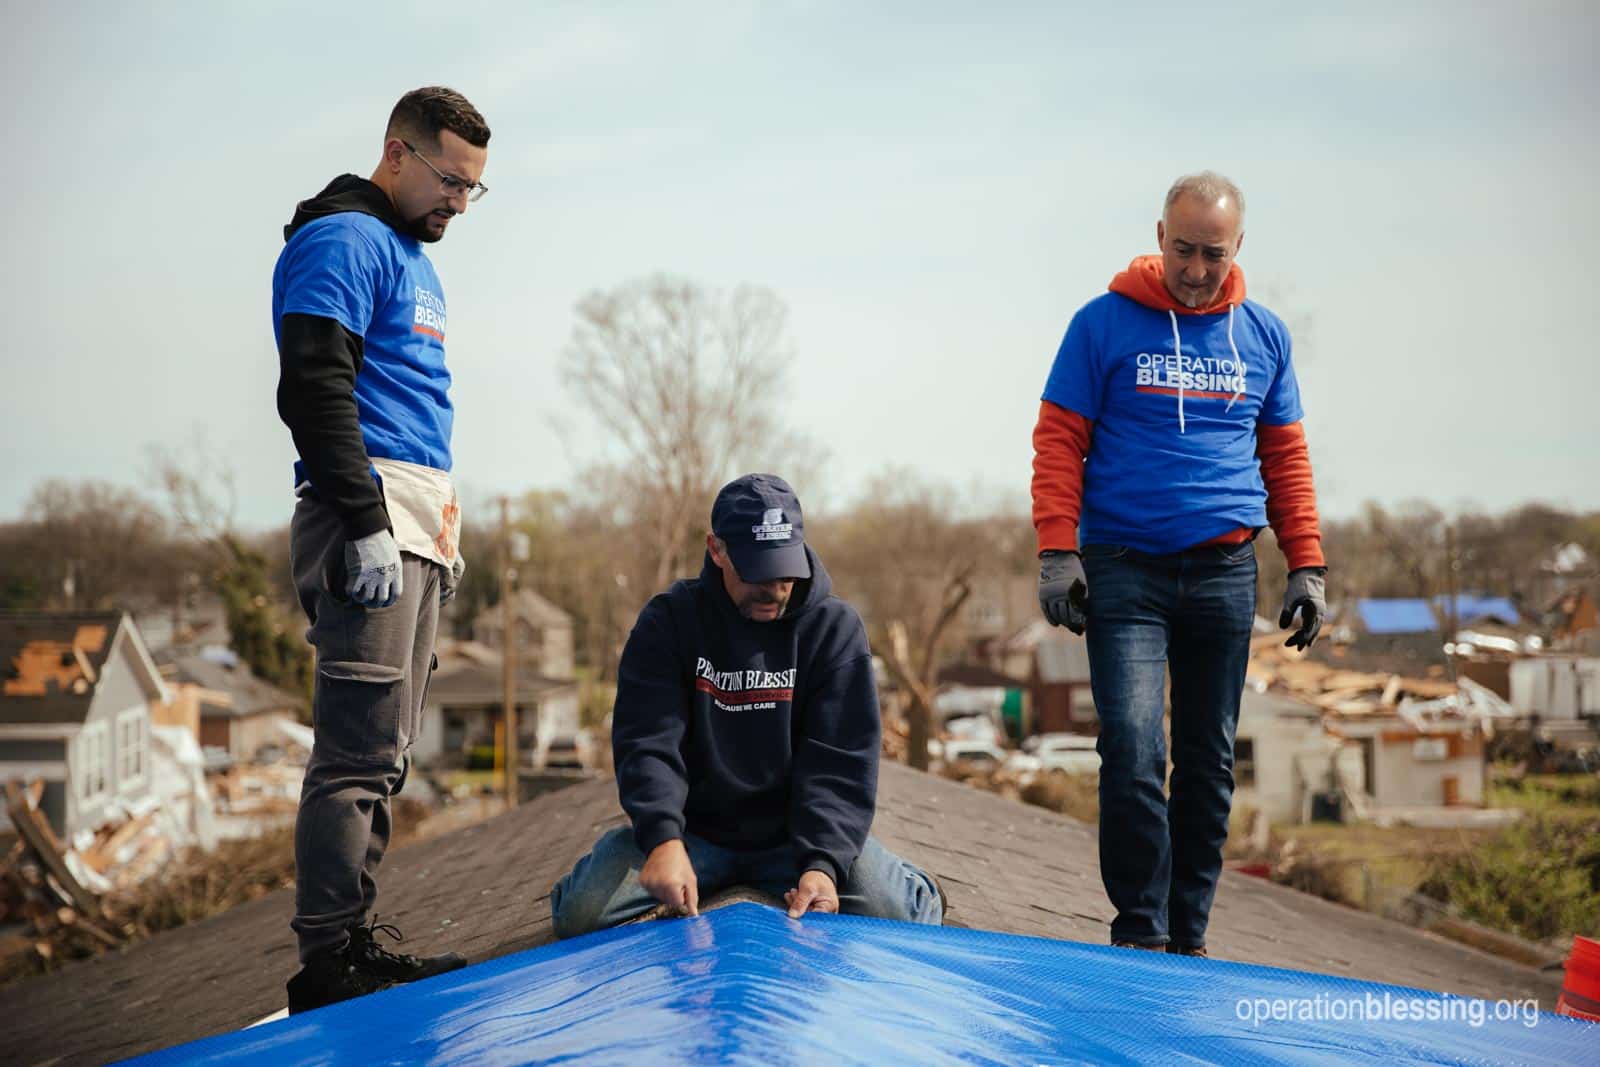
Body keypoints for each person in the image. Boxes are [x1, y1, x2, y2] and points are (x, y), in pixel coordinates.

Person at [1030, 172, 1327, 957]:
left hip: (1226, 572)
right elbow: (1058, 440)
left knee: (1209, 762)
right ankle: (1140, 928)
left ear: (1237, 249)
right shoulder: (1101, 326)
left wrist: (1307, 563)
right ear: (1160, 237)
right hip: (1125, 566)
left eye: (1213, 254)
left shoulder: (1264, 336)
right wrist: (1058, 551)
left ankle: (1187, 936)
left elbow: (1286, 456)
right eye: (1184, 250)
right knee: (1132, 749)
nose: (1197, 269)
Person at [272, 86, 490, 1013]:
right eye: (449, 180)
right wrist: (364, 520)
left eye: (476, 189)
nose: (460, 205)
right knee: (355, 757)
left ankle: (355, 939)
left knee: (389, 754)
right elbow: (315, 385)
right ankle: (328, 961)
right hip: (369, 524)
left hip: (414, 525)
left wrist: (433, 526)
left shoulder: (410, 253)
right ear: (396, 154)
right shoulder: (344, 240)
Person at [551, 474, 943, 937]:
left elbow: (840, 762)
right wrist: (662, 839)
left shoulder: (833, 629)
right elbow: (648, 742)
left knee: (894, 910)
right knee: (582, 913)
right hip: (695, 836)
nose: (773, 589)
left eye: (783, 573)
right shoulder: (669, 622)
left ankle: (916, 885)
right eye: (756, 573)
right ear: (716, 550)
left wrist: (822, 865)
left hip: (795, 840)